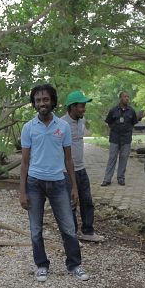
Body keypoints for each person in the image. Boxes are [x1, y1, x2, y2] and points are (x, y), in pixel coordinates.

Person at [19, 84, 90, 282]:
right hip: (34, 183)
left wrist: (74, 186)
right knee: (35, 229)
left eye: (45, 99)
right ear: (34, 104)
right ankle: (41, 265)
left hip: (59, 183)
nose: (42, 103)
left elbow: (69, 160)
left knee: (68, 227)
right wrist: (22, 191)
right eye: (38, 100)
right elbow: (24, 163)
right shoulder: (28, 128)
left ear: (52, 101)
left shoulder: (63, 127)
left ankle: (74, 264)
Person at [61, 90, 104, 243]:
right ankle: (72, 235)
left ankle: (88, 231)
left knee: (87, 201)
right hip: (66, 172)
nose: (84, 109)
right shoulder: (61, 124)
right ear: (72, 107)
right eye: (81, 106)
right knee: (70, 203)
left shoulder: (82, 120)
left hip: (81, 169)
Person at [101, 91, 138, 186]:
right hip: (115, 138)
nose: (127, 98)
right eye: (125, 97)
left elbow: (133, 122)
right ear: (120, 98)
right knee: (112, 158)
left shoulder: (131, 111)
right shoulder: (113, 110)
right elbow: (108, 122)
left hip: (126, 139)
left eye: (128, 97)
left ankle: (121, 178)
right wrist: (115, 128)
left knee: (124, 158)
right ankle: (107, 179)